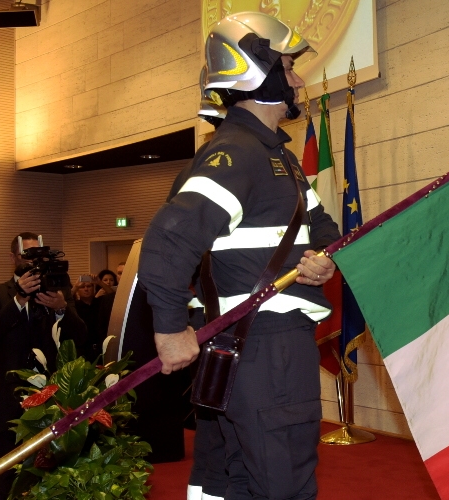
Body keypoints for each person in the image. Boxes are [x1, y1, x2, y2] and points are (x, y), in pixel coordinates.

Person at [136, 12, 339, 499]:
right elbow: (167, 240)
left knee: (238, 481)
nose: (297, 78)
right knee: (280, 481)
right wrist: (168, 330)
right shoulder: (238, 153)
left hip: (250, 346)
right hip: (265, 349)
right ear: (259, 71)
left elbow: (327, 231)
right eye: (288, 66)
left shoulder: (279, 158)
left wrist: (324, 260)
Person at [0, 233, 86, 499]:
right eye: (27, 255)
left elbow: (81, 335)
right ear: (13, 257)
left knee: (48, 469)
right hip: (8, 398)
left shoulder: (57, 290)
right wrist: (19, 300)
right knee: (7, 473)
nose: (34, 262)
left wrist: (61, 309)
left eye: (39, 255)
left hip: (51, 394)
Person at [72, 275, 113, 358]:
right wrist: (75, 287)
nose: (86, 289)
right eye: (82, 287)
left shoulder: (101, 302)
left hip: (101, 348)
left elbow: (113, 295)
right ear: (78, 291)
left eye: (89, 286)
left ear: (93, 288)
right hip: (82, 350)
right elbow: (64, 301)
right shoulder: (74, 306)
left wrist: (99, 282)